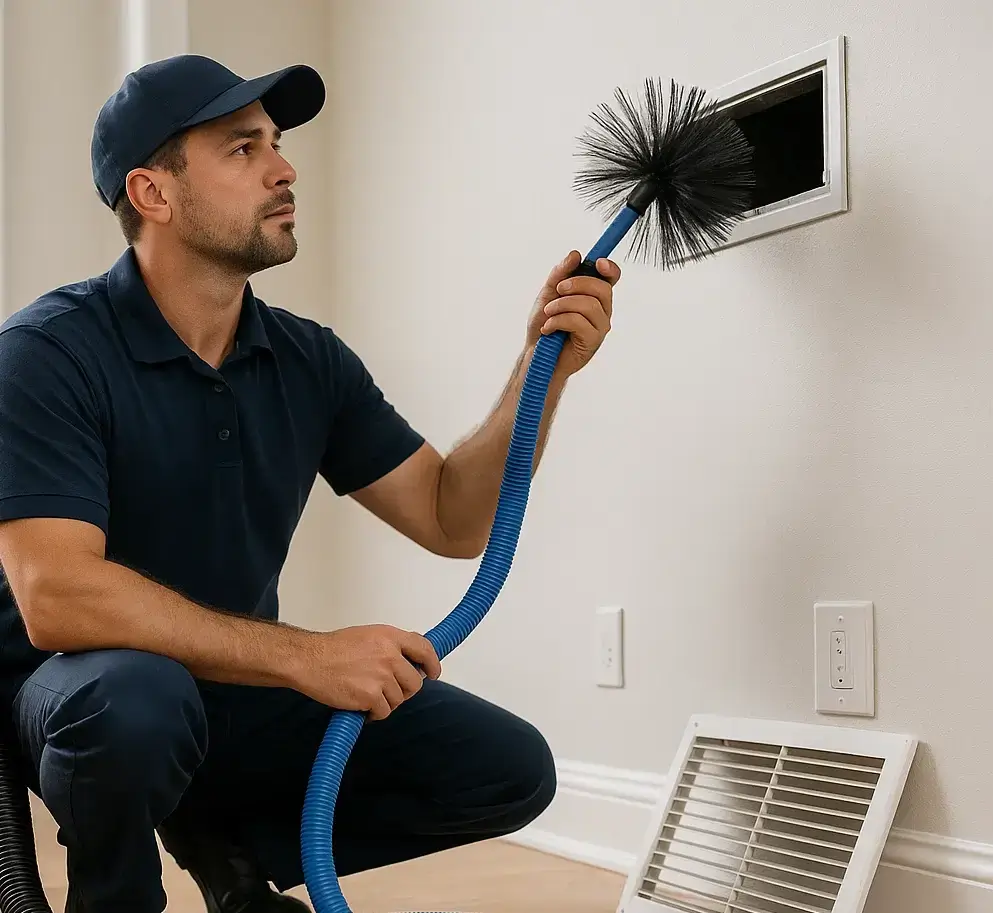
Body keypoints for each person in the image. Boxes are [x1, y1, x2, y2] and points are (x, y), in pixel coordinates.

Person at [0, 54, 619, 913]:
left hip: (232, 689)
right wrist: (309, 656)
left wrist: (540, 369)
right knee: (137, 700)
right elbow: (58, 597)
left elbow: (451, 517)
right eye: (242, 148)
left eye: (277, 143)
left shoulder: (307, 360)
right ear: (153, 193)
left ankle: (227, 856)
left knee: (506, 768)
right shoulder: (47, 353)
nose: (284, 169)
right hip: (78, 697)